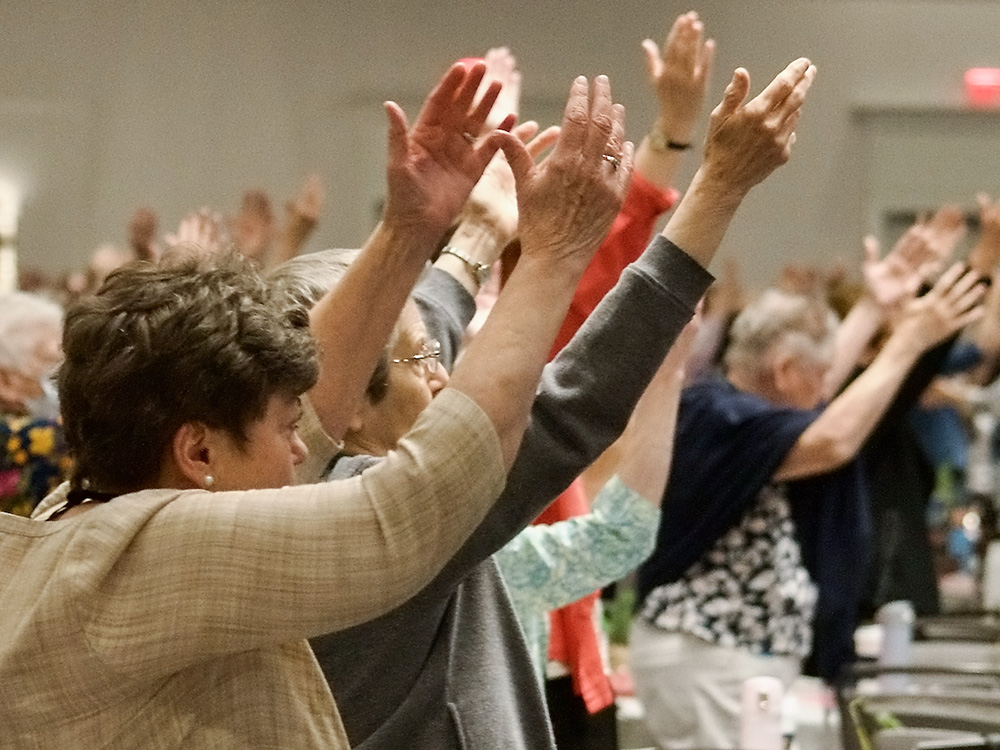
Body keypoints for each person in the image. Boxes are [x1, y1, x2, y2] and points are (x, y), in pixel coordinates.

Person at [0, 61, 624, 748]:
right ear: (198, 451)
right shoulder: (163, 552)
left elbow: (327, 409)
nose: (306, 450)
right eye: (285, 430)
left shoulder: (85, 514)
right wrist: (556, 253)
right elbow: (414, 511)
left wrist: (411, 232)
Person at [299, 57, 817, 749]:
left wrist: (477, 232)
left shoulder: (283, 491)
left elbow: (404, 328)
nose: (447, 378)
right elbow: (571, 404)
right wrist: (718, 189)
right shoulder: (385, 520)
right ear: (349, 406)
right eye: (427, 360)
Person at [632, 261, 985, 749]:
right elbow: (833, 439)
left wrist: (872, 308)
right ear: (782, 370)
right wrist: (906, 342)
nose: (826, 391)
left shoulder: (740, 406)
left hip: (726, 656)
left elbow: (817, 393)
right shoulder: (723, 416)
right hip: (711, 657)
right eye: (817, 376)